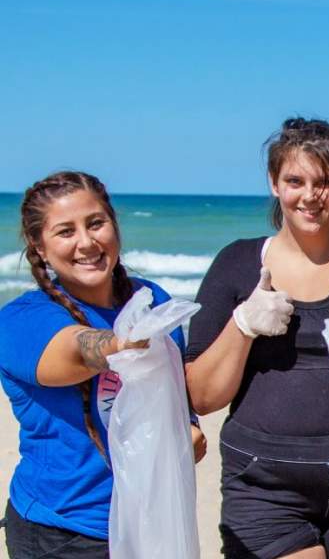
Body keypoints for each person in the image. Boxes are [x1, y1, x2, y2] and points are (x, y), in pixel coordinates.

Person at [186, 117, 329, 559]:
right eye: (294, 180)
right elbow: (202, 396)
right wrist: (244, 324)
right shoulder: (235, 262)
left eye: (325, 181)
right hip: (263, 485)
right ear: (274, 183)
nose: (309, 195)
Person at [0, 171, 206, 559]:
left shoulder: (151, 300)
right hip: (63, 530)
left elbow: (171, 389)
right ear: (39, 247)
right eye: (65, 231)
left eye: (96, 223)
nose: (86, 242)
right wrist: (121, 343)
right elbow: (74, 353)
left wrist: (188, 428)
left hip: (151, 518)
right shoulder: (21, 320)